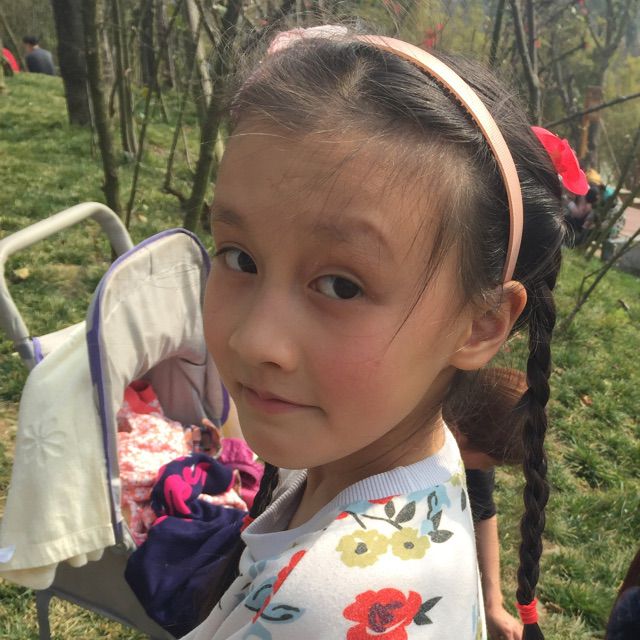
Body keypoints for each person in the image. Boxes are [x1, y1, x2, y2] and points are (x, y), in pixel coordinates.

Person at [182, 25, 586, 640]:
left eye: (341, 286)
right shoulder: (404, 452)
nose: (254, 341)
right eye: (240, 258)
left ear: (480, 324)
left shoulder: (324, 610)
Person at [445, 367, 528, 640]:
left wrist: (494, 603)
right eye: (492, 462)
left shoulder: (471, 460)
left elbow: (485, 514)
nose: (488, 469)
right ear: (457, 434)